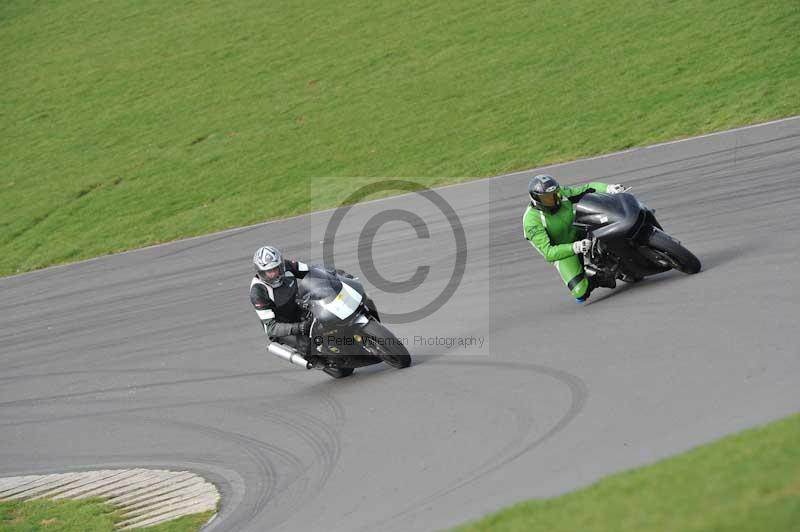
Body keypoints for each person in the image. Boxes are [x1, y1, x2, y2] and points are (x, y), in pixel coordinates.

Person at [522, 174, 626, 302]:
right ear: (536, 200)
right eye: (548, 198)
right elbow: (548, 252)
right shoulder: (531, 221)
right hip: (563, 251)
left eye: (555, 194)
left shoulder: (561, 195)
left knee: (600, 214)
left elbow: (587, 189)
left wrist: (608, 188)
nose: (555, 199)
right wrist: (575, 247)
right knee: (580, 292)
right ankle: (597, 277)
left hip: (578, 228)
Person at [249, 246, 313, 353]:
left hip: (298, 309)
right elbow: (271, 328)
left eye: (275, 269)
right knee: (308, 345)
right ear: (261, 272)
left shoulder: (286, 266)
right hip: (282, 327)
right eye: (269, 271)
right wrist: (298, 327)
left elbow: (312, 271)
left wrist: (335, 275)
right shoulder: (258, 291)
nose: (274, 274)